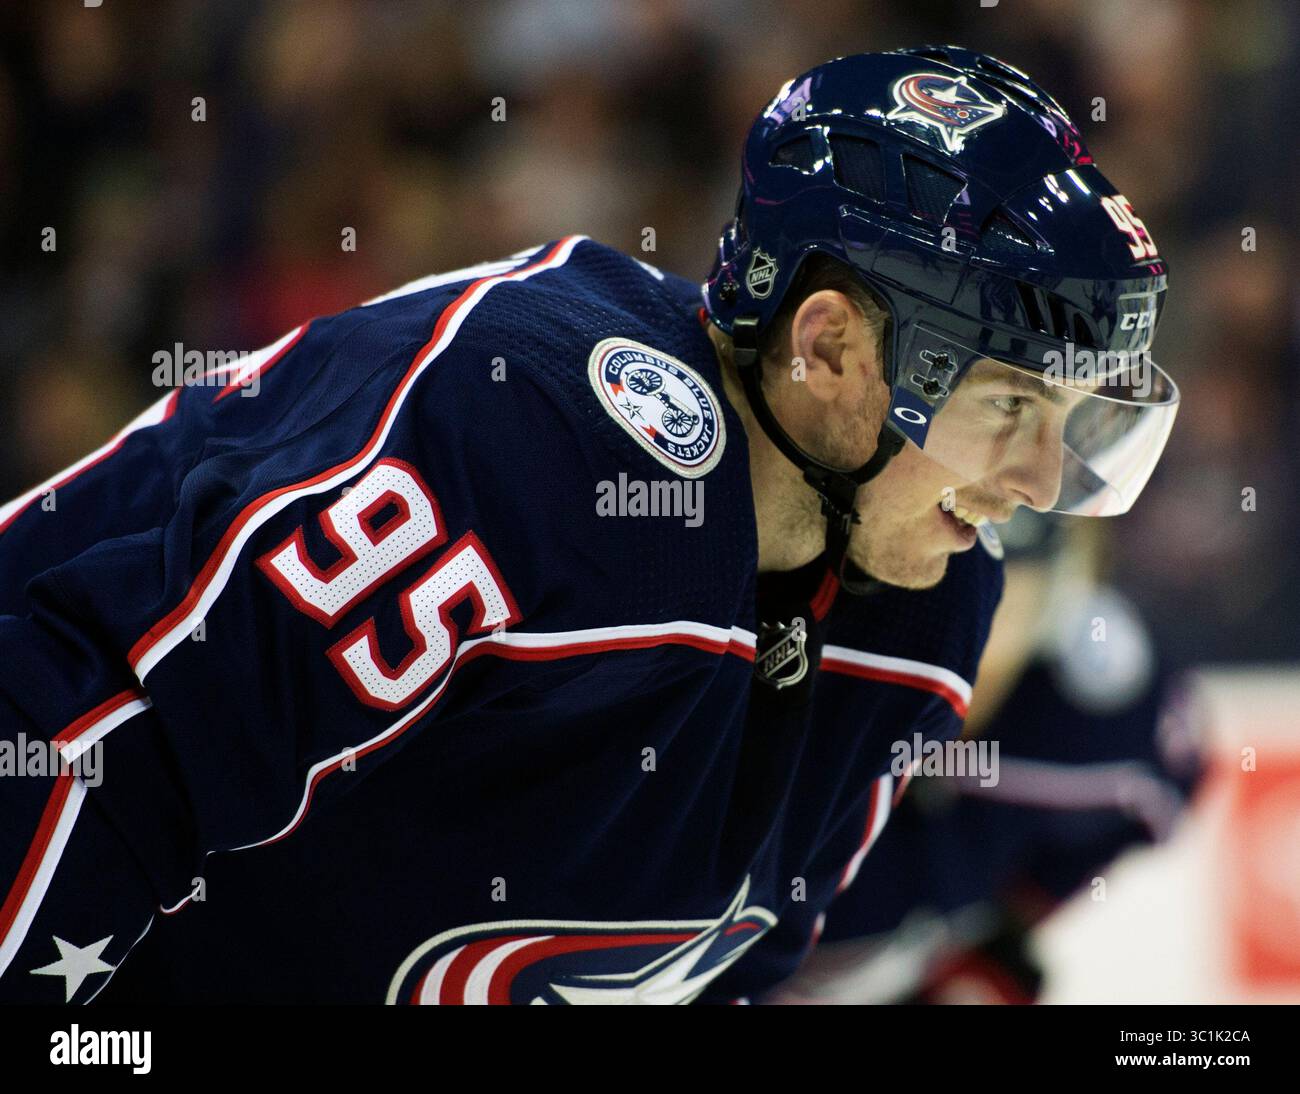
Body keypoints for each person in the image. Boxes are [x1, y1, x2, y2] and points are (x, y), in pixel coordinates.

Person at [0, 46, 1177, 1004]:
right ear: (826, 346)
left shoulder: (928, 592)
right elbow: (98, 720)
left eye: (1068, 416)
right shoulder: (531, 435)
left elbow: (726, 961)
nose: (1035, 482)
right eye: (1011, 404)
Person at [762, 512, 1205, 1005]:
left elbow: (1153, 799)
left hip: (887, 960)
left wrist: (1000, 942)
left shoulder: (1105, 723)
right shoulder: (813, 650)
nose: (986, 623)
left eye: (1015, 596)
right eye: (968, 583)